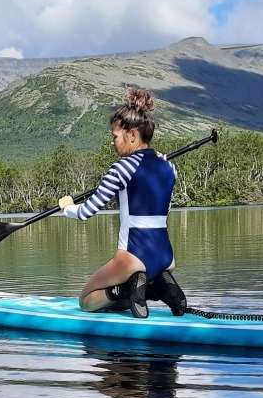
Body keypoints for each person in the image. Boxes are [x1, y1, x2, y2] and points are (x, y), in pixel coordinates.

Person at [58, 87, 187, 318]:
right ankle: (155, 287)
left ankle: (128, 288)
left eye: (115, 136)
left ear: (132, 135)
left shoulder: (120, 168)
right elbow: (164, 208)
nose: (112, 142)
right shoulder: (169, 167)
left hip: (133, 256)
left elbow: (86, 211)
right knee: (121, 300)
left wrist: (67, 207)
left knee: (86, 301)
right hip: (166, 256)